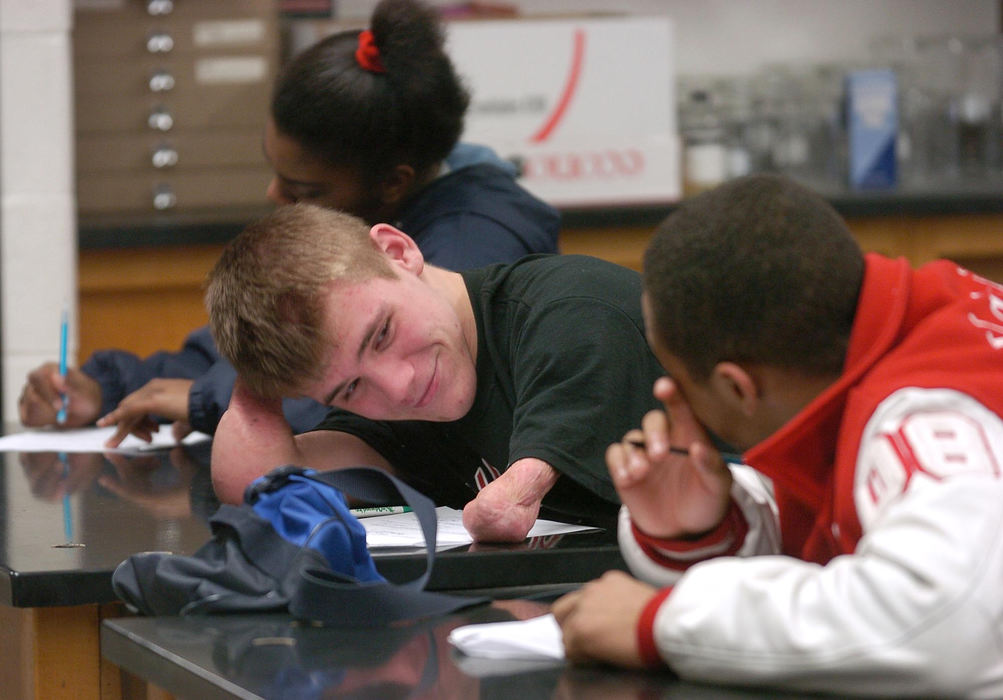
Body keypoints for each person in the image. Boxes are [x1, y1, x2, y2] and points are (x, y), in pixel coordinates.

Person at [17, 0, 558, 445]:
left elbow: (390, 399)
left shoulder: (477, 239)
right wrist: (106, 388)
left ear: (396, 219)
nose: (275, 196)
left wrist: (208, 399)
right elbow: (257, 343)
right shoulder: (369, 226)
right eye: (275, 172)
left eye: (305, 192)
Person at [552, 174, 1003, 695]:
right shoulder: (910, 328)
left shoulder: (928, 415)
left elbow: (946, 620)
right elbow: (857, 525)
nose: (671, 398)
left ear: (737, 387)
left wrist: (660, 623)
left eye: (679, 381)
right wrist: (712, 529)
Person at [206, 203, 666, 542]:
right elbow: (262, 485)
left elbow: (508, 505)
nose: (399, 386)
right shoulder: (410, 403)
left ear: (397, 251)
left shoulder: (574, 312)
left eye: (382, 333)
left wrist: (503, 503)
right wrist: (258, 374)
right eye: (350, 388)